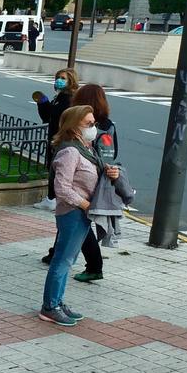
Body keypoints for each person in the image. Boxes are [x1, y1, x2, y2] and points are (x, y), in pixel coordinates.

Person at [40, 105, 120, 326]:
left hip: (82, 213)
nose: (94, 128)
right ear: (74, 127)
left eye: (94, 123)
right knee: (63, 261)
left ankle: (57, 302)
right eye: (89, 124)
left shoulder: (87, 149)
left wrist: (109, 171)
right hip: (72, 213)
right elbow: (62, 189)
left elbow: (91, 174)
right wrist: (86, 205)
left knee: (69, 259)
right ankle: (50, 307)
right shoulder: (70, 152)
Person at [74, 82, 121, 250]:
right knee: (75, 220)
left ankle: (94, 265)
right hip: (90, 176)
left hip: (86, 177)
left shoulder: (96, 125)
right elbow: (113, 154)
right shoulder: (107, 125)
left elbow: (107, 154)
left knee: (79, 221)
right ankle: (57, 252)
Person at [33, 67, 79, 211]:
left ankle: (52, 199)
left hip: (62, 139)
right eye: (58, 77)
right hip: (55, 137)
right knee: (53, 167)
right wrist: (42, 103)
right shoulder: (59, 97)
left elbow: (60, 117)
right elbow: (48, 117)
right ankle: (53, 198)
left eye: (63, 78)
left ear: (71, 80)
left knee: (57, 169)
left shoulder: (70, 99)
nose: (59, 80)